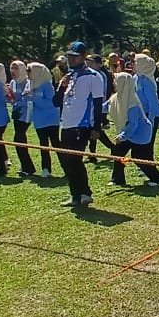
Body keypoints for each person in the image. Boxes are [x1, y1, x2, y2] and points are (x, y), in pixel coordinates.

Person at [55, 42, 105, 208]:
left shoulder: (93, 76)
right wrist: (61, 88)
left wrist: (97, 127)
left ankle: (84, 193)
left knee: (75, 160)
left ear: (83, 56)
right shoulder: (68, 77)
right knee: (67, 161)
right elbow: (56, 102)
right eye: (69, 56)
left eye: (75, 56)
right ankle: (76, 194)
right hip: (66, 123)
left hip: (82, 125)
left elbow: (98, 103)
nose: (71, 59)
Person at [107, 71, 159, 188]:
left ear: (123, 83)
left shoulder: (133, 103)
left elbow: (133, 124)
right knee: (117, 152)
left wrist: (122, 136)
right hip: (128, 133)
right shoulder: (116, 97)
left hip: (140, 134)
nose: (113, 83)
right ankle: (118, 179)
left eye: (116, 81)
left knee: (139, 156)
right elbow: (105, 107)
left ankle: (156, 178)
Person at [26, 62, 60, 178]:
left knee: (56, 144)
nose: (27, 73)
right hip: (39, 120)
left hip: (51, 119)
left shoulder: (47, 85)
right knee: (43, 145)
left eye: (29, 71)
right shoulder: (31, 85)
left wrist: (33, 97)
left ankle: (67, 167)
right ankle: (46, 169)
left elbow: (49, 104)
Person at [7, 60, 37, 176]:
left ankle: (28, 168)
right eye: (11, 68)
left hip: (26, 113)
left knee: (18, 139)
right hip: (16, 114)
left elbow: (28, 99)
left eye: (15, 68)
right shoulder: (13, 83)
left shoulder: (28, 81)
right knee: (19, 139)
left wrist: (16, 101)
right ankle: (26, 167)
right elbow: (12, 99)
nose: (13, 71)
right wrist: (9, 97)